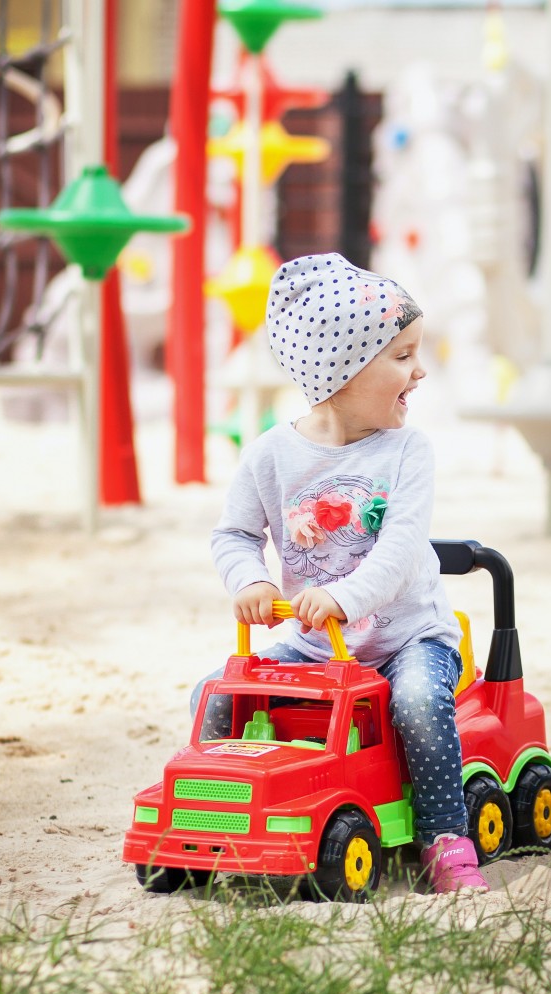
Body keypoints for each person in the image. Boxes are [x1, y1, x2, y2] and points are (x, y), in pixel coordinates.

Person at [199, 253, 486, 893]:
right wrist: (250, 581)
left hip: (407, 638)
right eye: (402, 356)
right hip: (313, 643)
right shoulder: (272, 455)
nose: (421, 370)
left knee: (416, 703)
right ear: (343, 373)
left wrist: (340, 595)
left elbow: (402, 550)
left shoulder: (408, 450)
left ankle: (445, 836)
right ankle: (224, 816)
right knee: (215, 694)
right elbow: (236, 534)